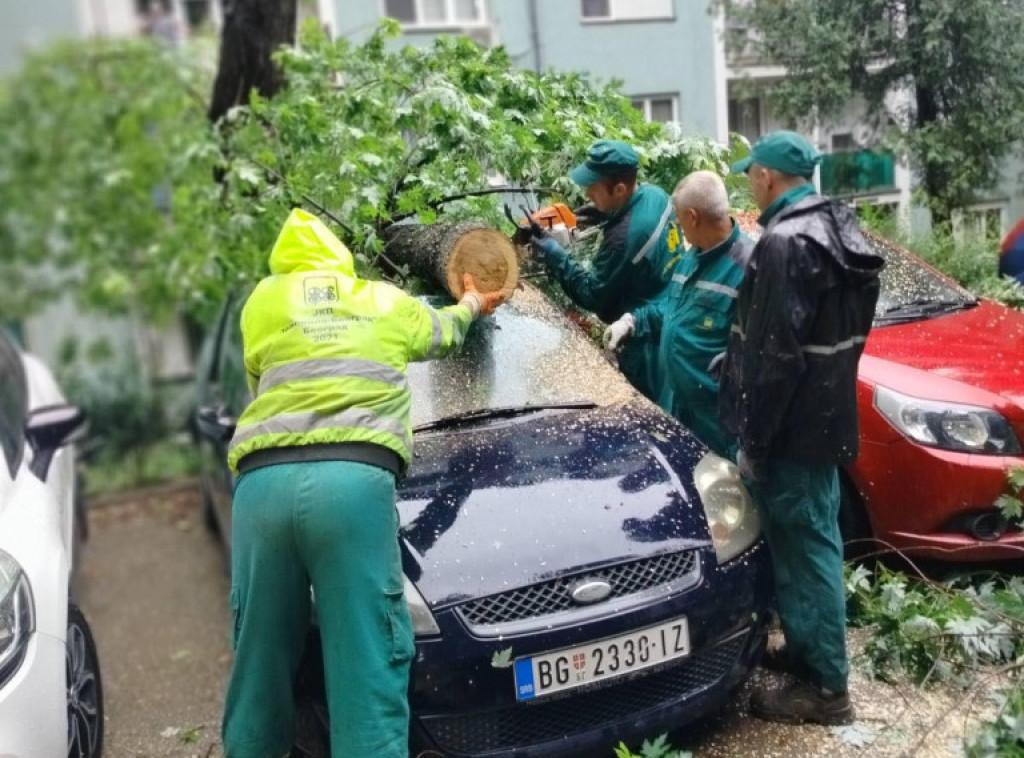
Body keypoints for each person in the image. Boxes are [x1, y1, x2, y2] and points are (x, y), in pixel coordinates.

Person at [221, 208, 505, 758]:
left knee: (259, 661)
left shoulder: (262, 302)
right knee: (367, 658)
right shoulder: (381, 300)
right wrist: (472, 301)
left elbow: (259, 382)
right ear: (340, 259)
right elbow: (443, 334)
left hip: (261, 489)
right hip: (350, 485)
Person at [720, 131, 884, 725]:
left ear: (766, 177)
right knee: (809, 540)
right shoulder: (839, 224)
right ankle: (813, 650)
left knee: (808, 548)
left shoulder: (786, 242)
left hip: (790, 432)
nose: (748, 182)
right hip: (825, 417)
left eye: (750, 174)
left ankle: (826, 690)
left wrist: (755, 441)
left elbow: (774, 358)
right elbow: (823, 338)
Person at [602, 171, 753, 457]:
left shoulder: (750, 270)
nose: (679, 228)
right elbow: (672, 309)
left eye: (680, 220)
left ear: (693, 216)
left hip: (719, 425)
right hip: (678, 408)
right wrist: (632, 321)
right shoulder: (692, 256)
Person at [530, 139, 680, 400]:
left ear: (620, 189)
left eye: (593, 188)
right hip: (668, 308)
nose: (588, 194)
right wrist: (606, 214)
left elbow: (593, 294)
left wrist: (557, 257)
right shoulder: (655, 195)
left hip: (643, 339)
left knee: (647, 411)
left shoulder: (623, 239)